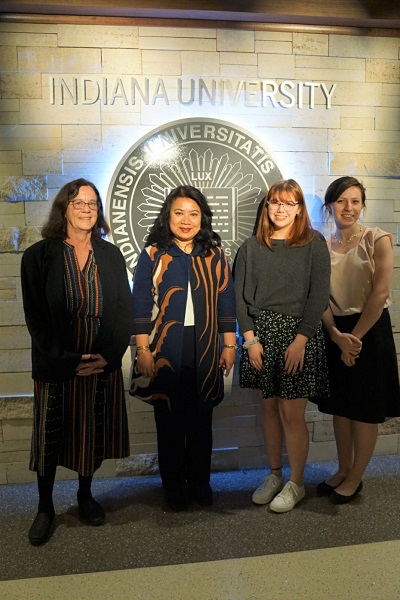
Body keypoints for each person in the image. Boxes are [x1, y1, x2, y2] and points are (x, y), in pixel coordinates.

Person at [21, 178, 133, 545]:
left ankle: (86, 495)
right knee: (50, 435)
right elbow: (36, 318)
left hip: (99, 359)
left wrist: (108, 355)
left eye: (92, 204)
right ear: (64, 209)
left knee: (91, 430)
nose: (87, 209)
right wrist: (68, 361)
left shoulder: (111, 255)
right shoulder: (38, 256)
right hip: (56, 361)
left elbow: (123, 310)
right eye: (78, 202)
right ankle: (45, 507)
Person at [130, 185, 236, 511]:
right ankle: (173, 487)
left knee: (202, 422)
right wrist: (143, 350)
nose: (186, 220)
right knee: (169, 423)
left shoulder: (215, 254)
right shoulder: (152, 254)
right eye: (179, 213)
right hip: (163, 349)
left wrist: (230, 344)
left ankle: (201, 483)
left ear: (202, 218)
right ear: (168, 216)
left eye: (193, 214)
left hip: (205, 347)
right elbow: (140, 304)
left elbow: (226, 302)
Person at [234, 179, 330, 513]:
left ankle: (296, 483)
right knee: (268, 409)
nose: (281, 209)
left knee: (292, 413)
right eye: (275, 202)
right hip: (260, 338)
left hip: (297, 337)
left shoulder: (314, 244)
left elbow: (318, 295)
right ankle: (275, 475)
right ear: (267, 207)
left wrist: (301, 340)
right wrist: (250, 340)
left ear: (300, 209)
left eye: (289, 203)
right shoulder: (251, 247)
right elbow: (238, 299)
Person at [316, 176, 400, 504]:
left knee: (364, 409)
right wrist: (337, 336)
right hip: (335, 330)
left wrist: (354, 340)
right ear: (330, 206)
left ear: (363, 205)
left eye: (354, 201)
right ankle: (343, 469)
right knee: (341, 407)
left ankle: (356, 477)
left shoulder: (378, 239)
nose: (348, 207)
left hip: (369, 330)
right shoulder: (322, 246)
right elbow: (319, 296)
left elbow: (380, 294)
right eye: (341, 201)